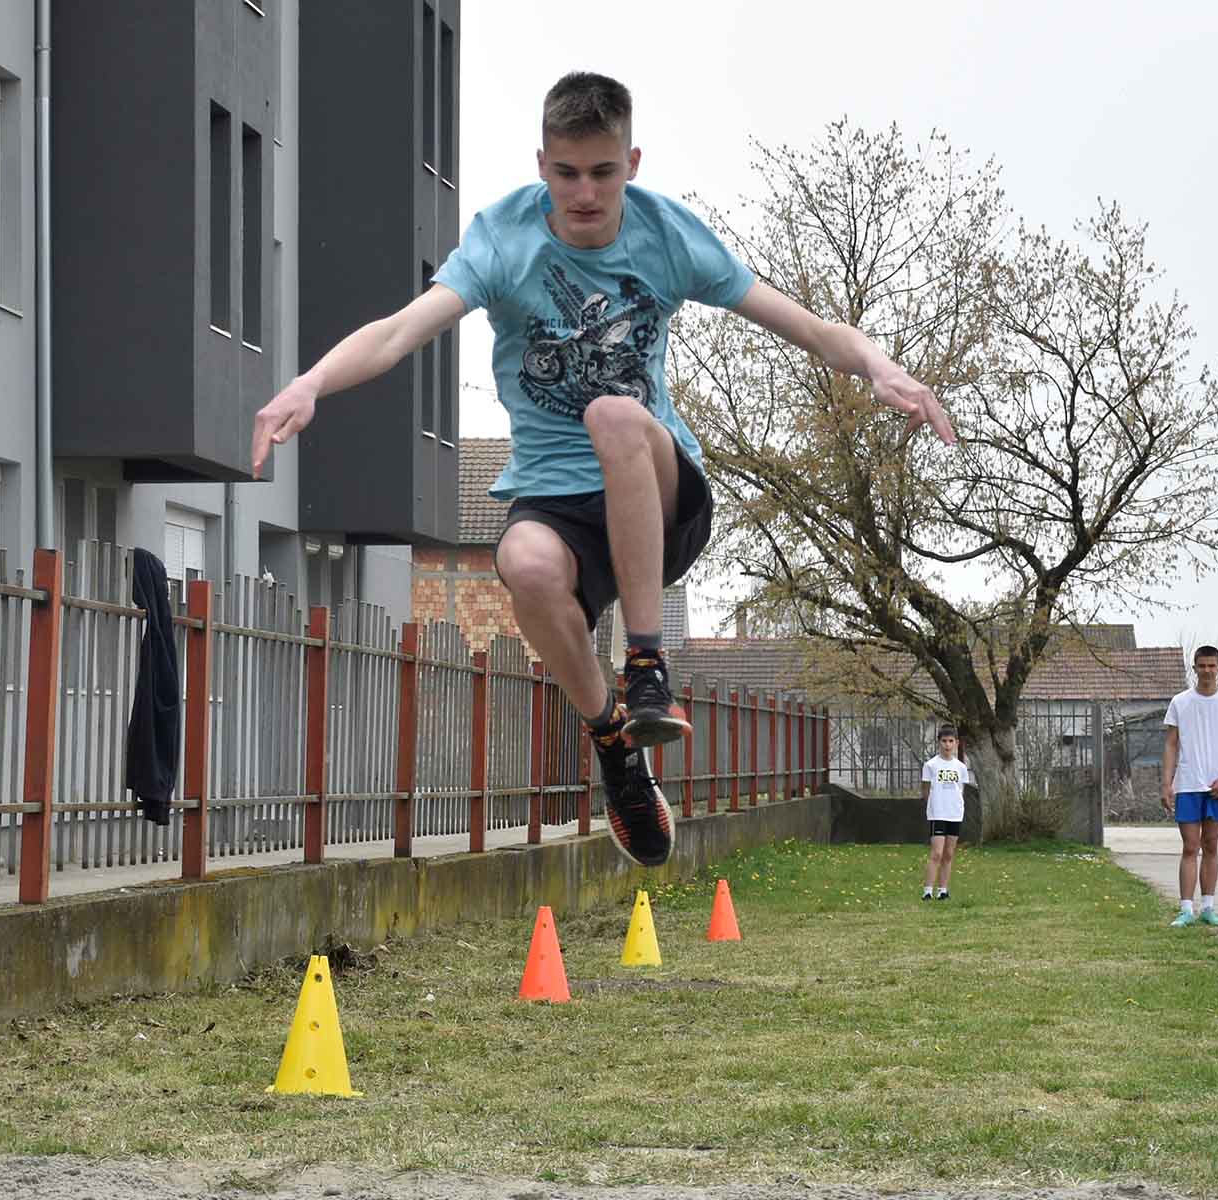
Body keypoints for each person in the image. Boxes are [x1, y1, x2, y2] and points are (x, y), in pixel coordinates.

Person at [249, 72, 954, 868]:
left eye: (603, 173)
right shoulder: (503, 238)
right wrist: (311, 383)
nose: (585, 194)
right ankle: (615, 746)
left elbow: (813, 328)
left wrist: (880, 368)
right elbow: (397, 331)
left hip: (657, 493)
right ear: (541, 165)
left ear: (632, 164)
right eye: (566, 173)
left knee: (613, 413)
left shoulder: (666, 235)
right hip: (557, 503)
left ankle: (647, 663)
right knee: (521, 563)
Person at [1160, 646, 1218, 928]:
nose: (1207, 671)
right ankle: (1186, 909)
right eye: (1202, 666)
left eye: (1212, 666)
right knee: (1190, 846)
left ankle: (1208, 907)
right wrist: (1167, 783)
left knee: (1211, 844)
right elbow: (1171, 744)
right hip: (1188, 784)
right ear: (1194, 668)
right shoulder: (1180, 702)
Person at [920, 726, 972, 901]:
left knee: (949, 854)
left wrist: (956, 805)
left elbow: (961, 790)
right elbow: (925, 790)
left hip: (954, 814)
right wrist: (933, 806)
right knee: (936, 853)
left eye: (951, 741)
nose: (947, 745)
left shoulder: (961, 767)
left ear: (957, 743)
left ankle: (943, 890)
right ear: (939, 742)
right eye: (944, 741)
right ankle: (927, 891)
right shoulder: (930, 765)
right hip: (938, 814)